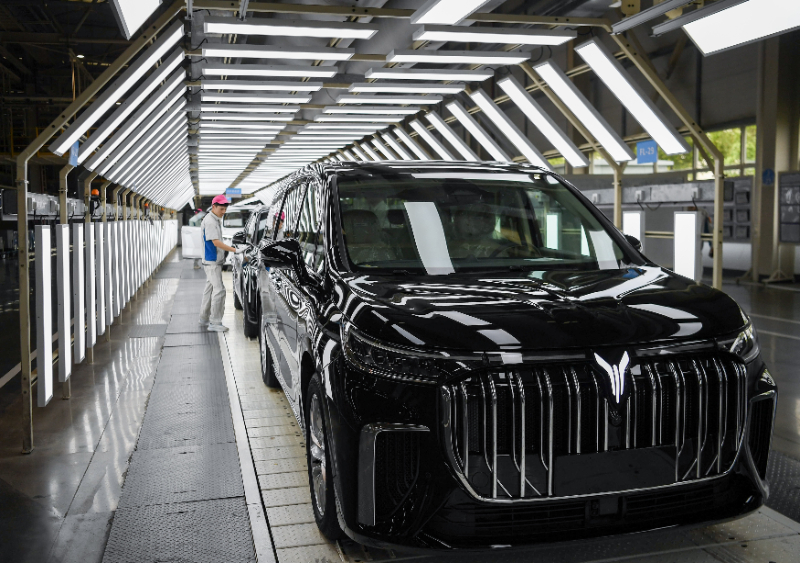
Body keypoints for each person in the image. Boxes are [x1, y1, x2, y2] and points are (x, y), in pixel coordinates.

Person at [199, 195, 244, 332]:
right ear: (214, 207)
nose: (223, 212)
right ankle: (215, 322)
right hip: (212, 262)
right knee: (220, 290)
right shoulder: (210, 222)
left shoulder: (214, 219)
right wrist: (235, 250)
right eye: (221, 209)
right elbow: (216, 242)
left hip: (213, 261)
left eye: (225, 209)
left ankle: (204, 318)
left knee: (209, 290)